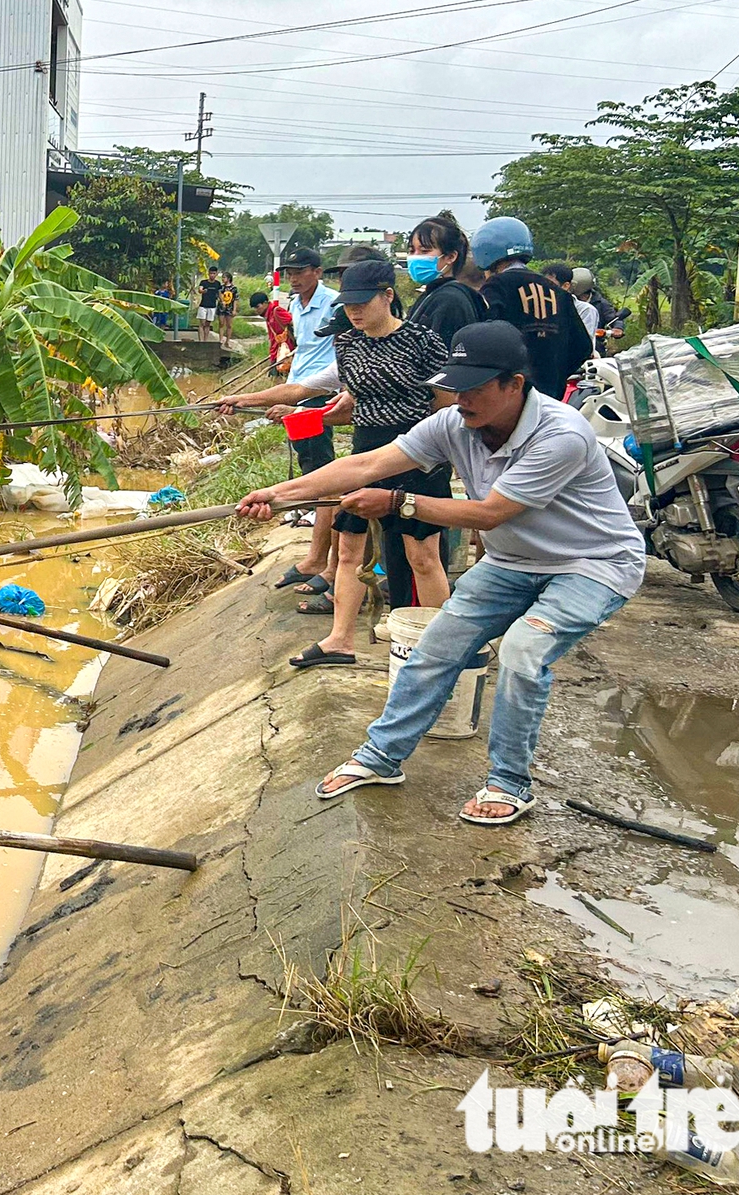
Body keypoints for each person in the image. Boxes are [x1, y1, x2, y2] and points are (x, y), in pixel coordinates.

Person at [237, 321, 646, 826]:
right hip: (512, 563)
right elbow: (368, 464)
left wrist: (398, 502)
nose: (460, 398)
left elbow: (490, 513)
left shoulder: (560, 434)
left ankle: (510, 782)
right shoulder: (455, 423)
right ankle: (382, 757)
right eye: (455, 385)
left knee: (524, 650)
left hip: (592, 565)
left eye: (474, 387)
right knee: (436, 645)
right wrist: (280, 495)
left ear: (514, 384)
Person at [223, 257, 453, 666]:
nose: (355, 311)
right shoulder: (348, 344)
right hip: (366, 450)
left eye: (363, 302)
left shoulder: (424, 342)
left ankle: (439, 650)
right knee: (349, 550)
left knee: (422, 555)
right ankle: (339, 641)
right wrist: (256, 402)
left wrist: (431, 453)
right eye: (349, 305)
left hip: (418, 454)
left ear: (387, 296)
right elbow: (344, 403)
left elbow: (446, 407)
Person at [250, 245, 341, 601]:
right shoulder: (295, 307)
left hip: (318, 395)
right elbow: (302, 349)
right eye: (289, 272)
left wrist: (303, 402)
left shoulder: (335, 304)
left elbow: (339, 358)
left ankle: (320, 559)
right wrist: (283, 391)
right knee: (310, 468)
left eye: (301, 271)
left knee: (322, 476)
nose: (294, 278)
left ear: (317, 272)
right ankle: (316, 557)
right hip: (299, 390)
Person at [472, 218, 592, 400]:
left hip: (509, 400)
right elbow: (583, 347)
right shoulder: (559, 293)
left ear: (485, 254)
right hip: (551, 399)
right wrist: (555, 376)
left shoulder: (497, 287)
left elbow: (484, 340)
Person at [404, 212, 486, 349]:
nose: (415, 257)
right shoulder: (434, 293)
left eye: (424, 251)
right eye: (412, 251)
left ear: (450, 257)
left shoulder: (449, 300)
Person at [569, 267, 623, 355]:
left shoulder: (601, 303)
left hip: (595, 346)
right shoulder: (567, 301)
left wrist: (617, 328)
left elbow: (614, 318)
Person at [195, 270, 224, 341]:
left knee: (208, 324)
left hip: (212, 306)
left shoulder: (217, 283)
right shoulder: (204, 282)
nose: (212, 275)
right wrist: (202, 291)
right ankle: (201, 341)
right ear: (208, 274)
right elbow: (200, 289)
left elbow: (220, 293)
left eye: (214, 273)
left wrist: (222, 301)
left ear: (216, 274)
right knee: (202, 323)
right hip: (203, 305)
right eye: (211, 273)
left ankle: (205, 340)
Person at [215, 272, 239, 341]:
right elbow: (219, 296)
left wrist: (234, 309)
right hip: (221, 307)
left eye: (224, 277)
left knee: (229, 325)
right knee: (221, 323)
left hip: (230, 308)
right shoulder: (221, 287)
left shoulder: (234, 288)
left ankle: (227, 340)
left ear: (228, 279)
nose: (222, 279)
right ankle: (221, 339)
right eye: (222, 277)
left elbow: (235, 299)